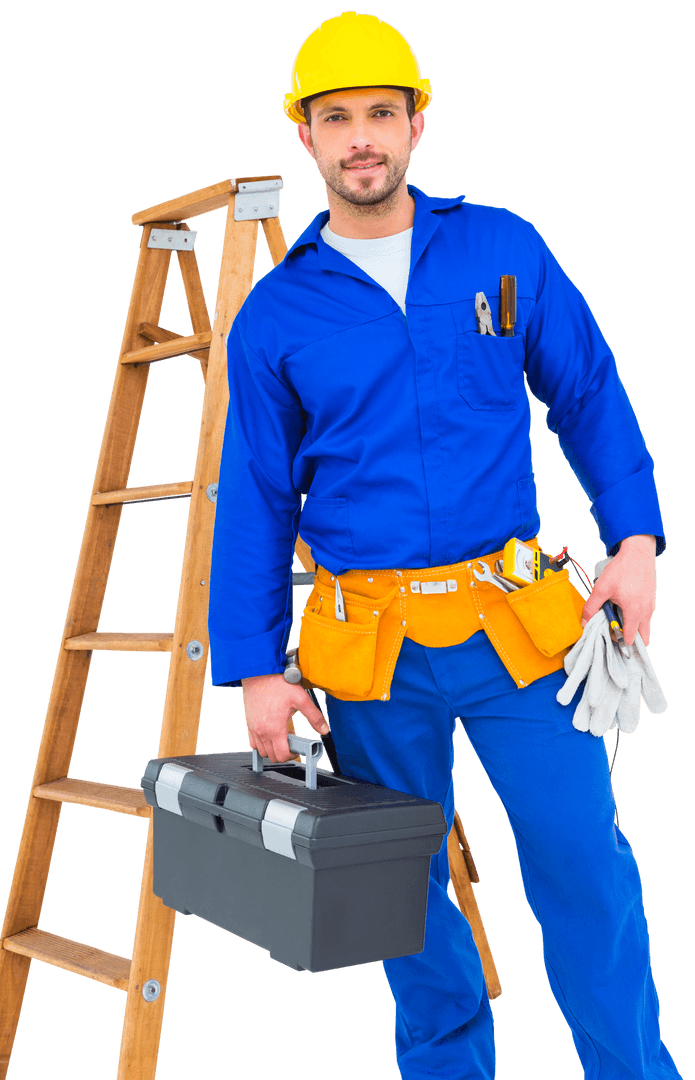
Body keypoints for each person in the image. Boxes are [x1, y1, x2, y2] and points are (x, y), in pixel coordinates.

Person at [208, 12, 680, 1079]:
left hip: (518, 635)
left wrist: (636, 539)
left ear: (417, 123)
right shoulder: (275, 315)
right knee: (401, 897)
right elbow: (255, 499)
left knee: (583, 869)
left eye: (382, 112)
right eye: (337, 119)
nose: (361, 137)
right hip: (364, 654)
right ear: (307, 138)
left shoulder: (499, 248)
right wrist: (252, 670)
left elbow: (588, 392)